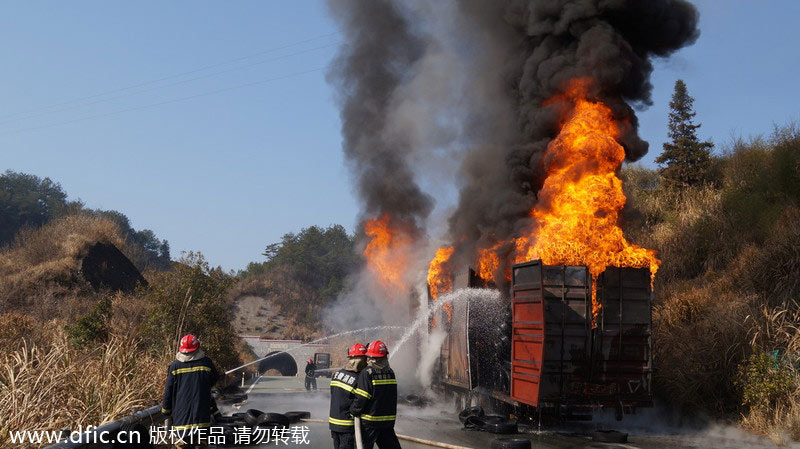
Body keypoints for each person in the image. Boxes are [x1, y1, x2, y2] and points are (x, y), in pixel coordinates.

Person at [161, 334, 220, 447]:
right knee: (201, 444)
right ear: (197, 347)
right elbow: (213, 381)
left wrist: (166, 410)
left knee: (181, 445)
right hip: (201, 418)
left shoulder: (175, 366)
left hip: (181, 420)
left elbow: (169, 390)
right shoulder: (206, 363)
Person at [350, 340, 401, 449]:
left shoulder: (367, 372)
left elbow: (362, 397)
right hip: (387, 422)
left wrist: (354, 410)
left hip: (370, 422)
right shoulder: (390, 372)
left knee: (362, 446)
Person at [329, 343, 368, 449]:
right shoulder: (359, 378)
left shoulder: (337, 374)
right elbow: (360, 402)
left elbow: (333, 394)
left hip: (334, 422)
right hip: (347, 425)